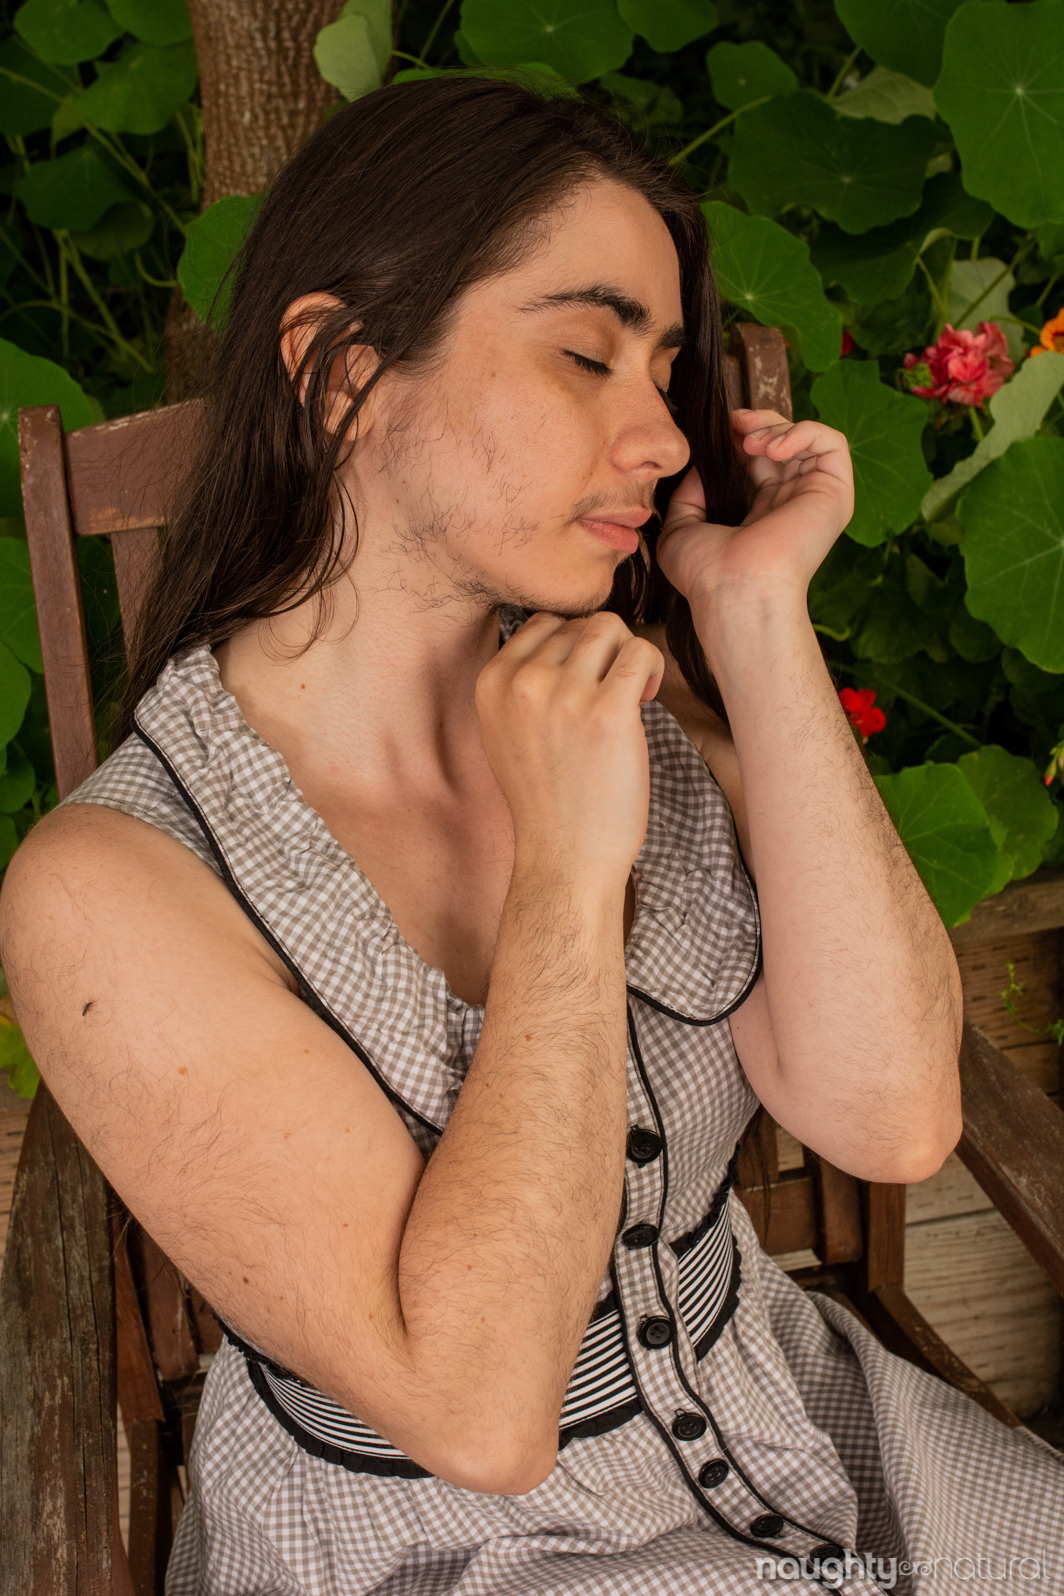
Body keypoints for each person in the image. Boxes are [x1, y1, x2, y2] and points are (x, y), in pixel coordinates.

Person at [1, 78, 1059, 1596]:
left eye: (668, 368)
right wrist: (565, 872)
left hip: (798, 1427)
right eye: (584, 353)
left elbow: (891, 1117)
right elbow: (480, 1413)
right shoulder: (113, 888)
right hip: (448, 1547)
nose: (660, 437)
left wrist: (754, 616)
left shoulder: (633, 700)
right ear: (343, 372)